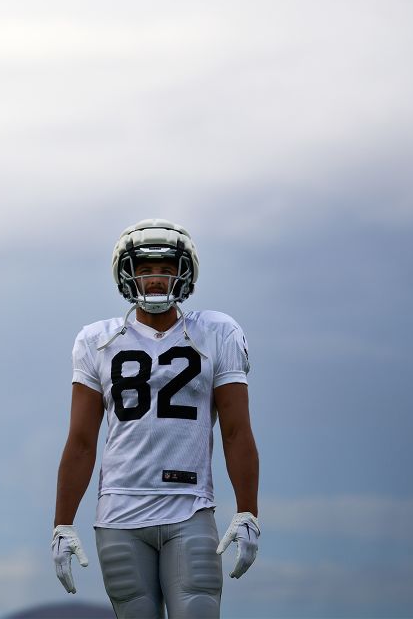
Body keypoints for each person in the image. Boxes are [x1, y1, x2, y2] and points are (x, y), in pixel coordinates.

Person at [52, 219, 260, 619]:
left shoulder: (216, 332)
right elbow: (80, 440)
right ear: (127, 275)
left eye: (165, 268)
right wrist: (62, 523)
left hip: (189, 506)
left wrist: (248, 511)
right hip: (119, 514)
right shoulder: (97, 341)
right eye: (145, 269)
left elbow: (236, 431)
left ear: (184, 273)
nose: (155, 279)